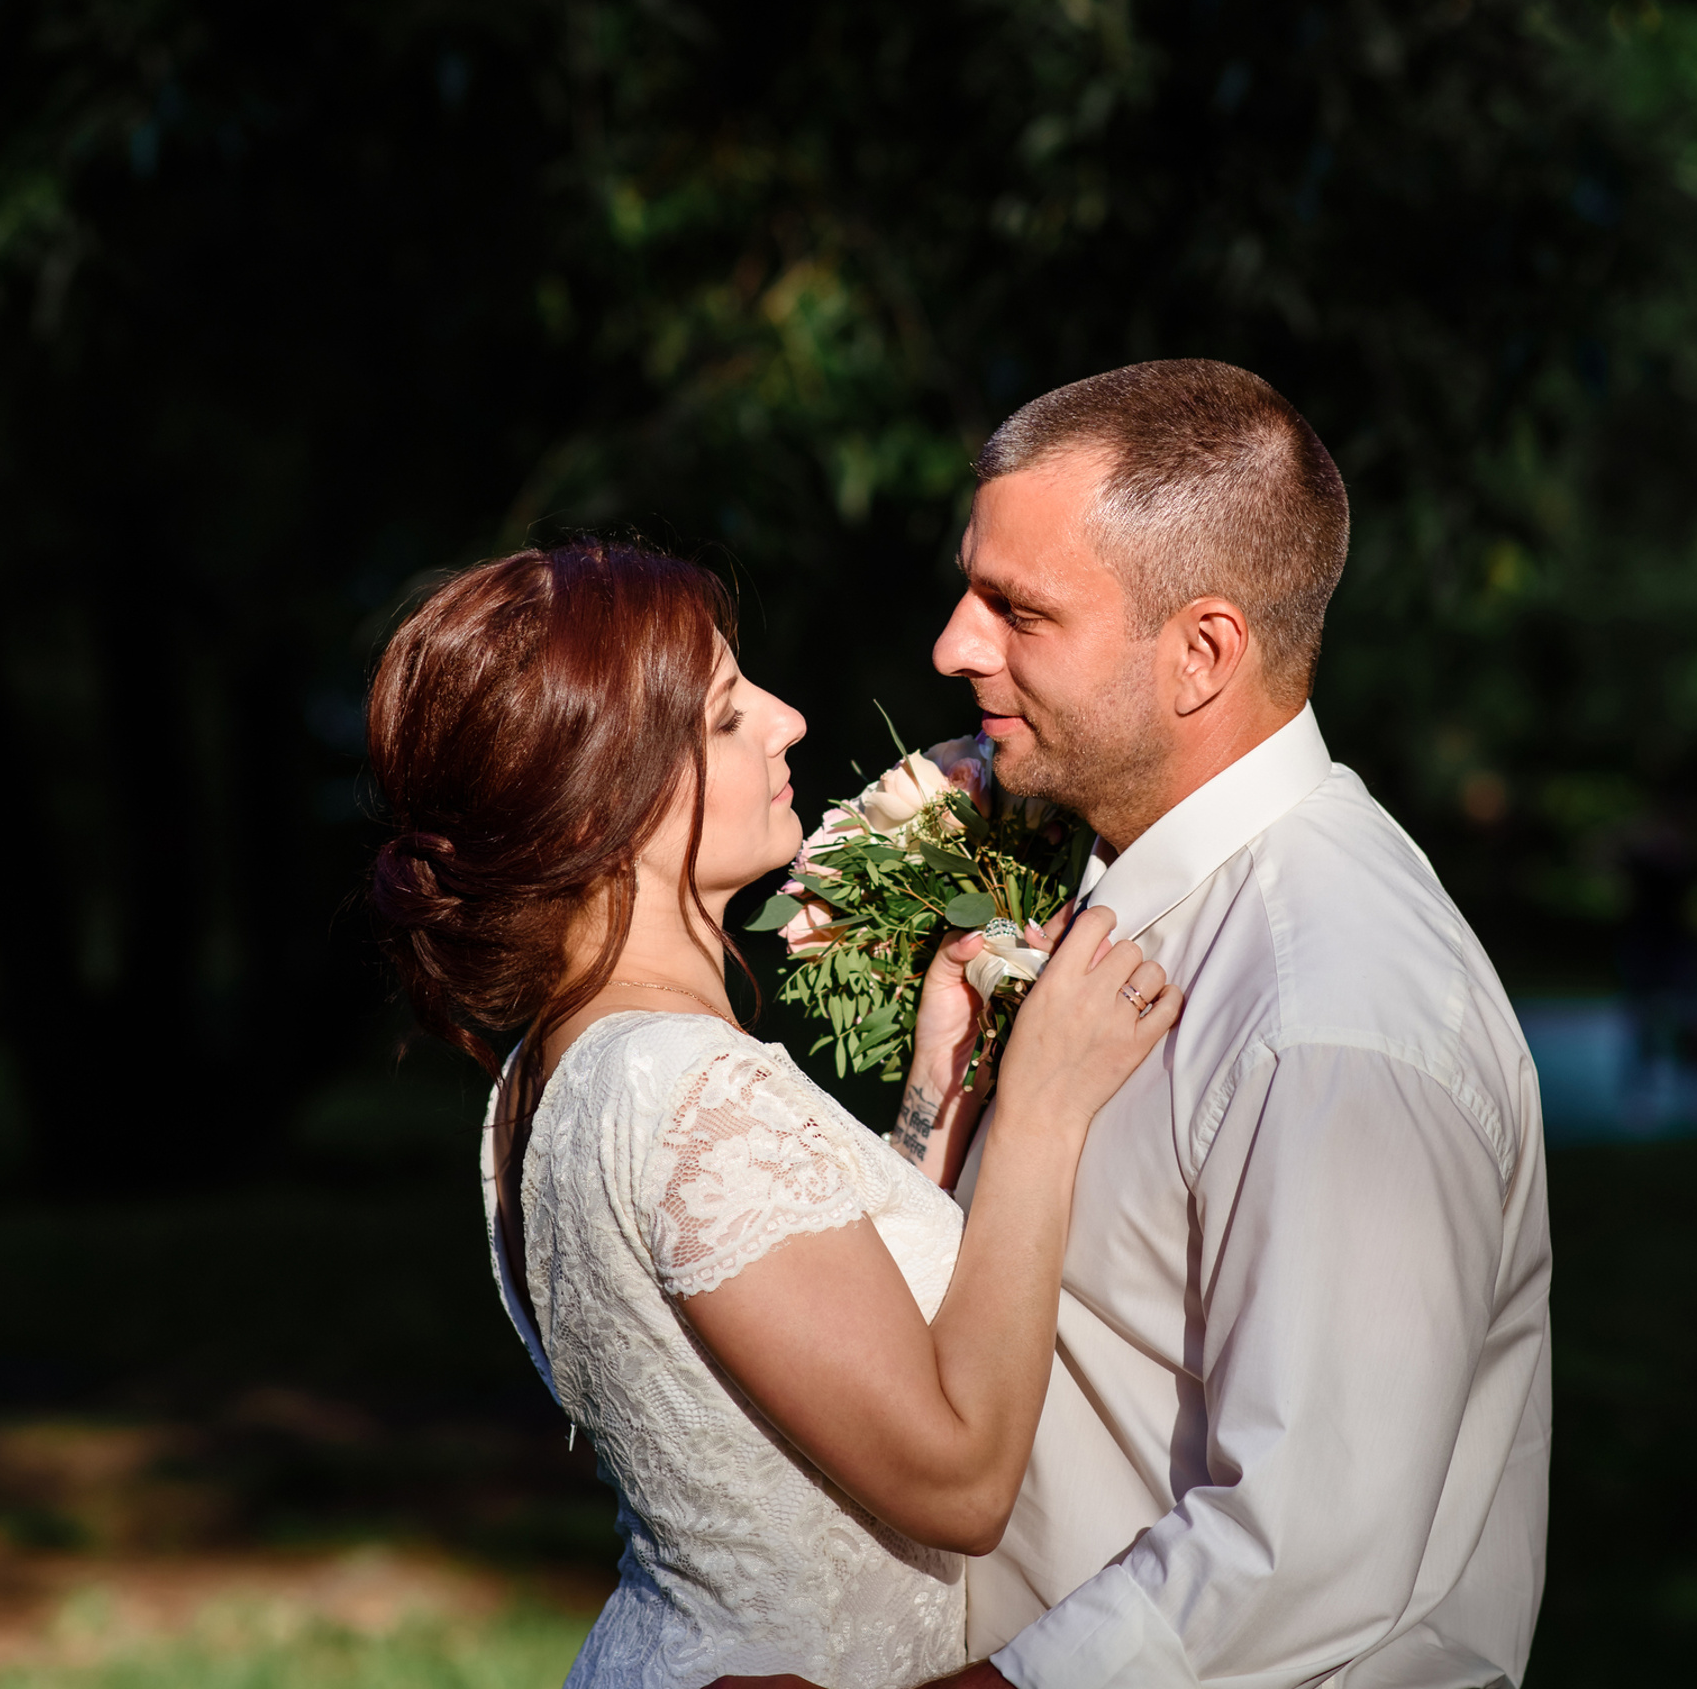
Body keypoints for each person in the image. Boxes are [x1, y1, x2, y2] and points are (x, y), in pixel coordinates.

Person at [363, 540, 1181, 1689]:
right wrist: (1043, 1104)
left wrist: (936, 1097)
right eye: (728, 715)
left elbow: (835, 1335)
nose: (789, 720)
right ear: (612, 797)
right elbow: (957, 1482)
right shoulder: (681, 1088)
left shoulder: (553, 1071)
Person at [895, 359, 1552, 1688]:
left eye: (1018, 610)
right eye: (970, 590)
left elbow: (1301, 1542)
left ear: (1203, 653)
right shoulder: (1128, 895)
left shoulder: (1327, 1012)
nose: (955, 648)